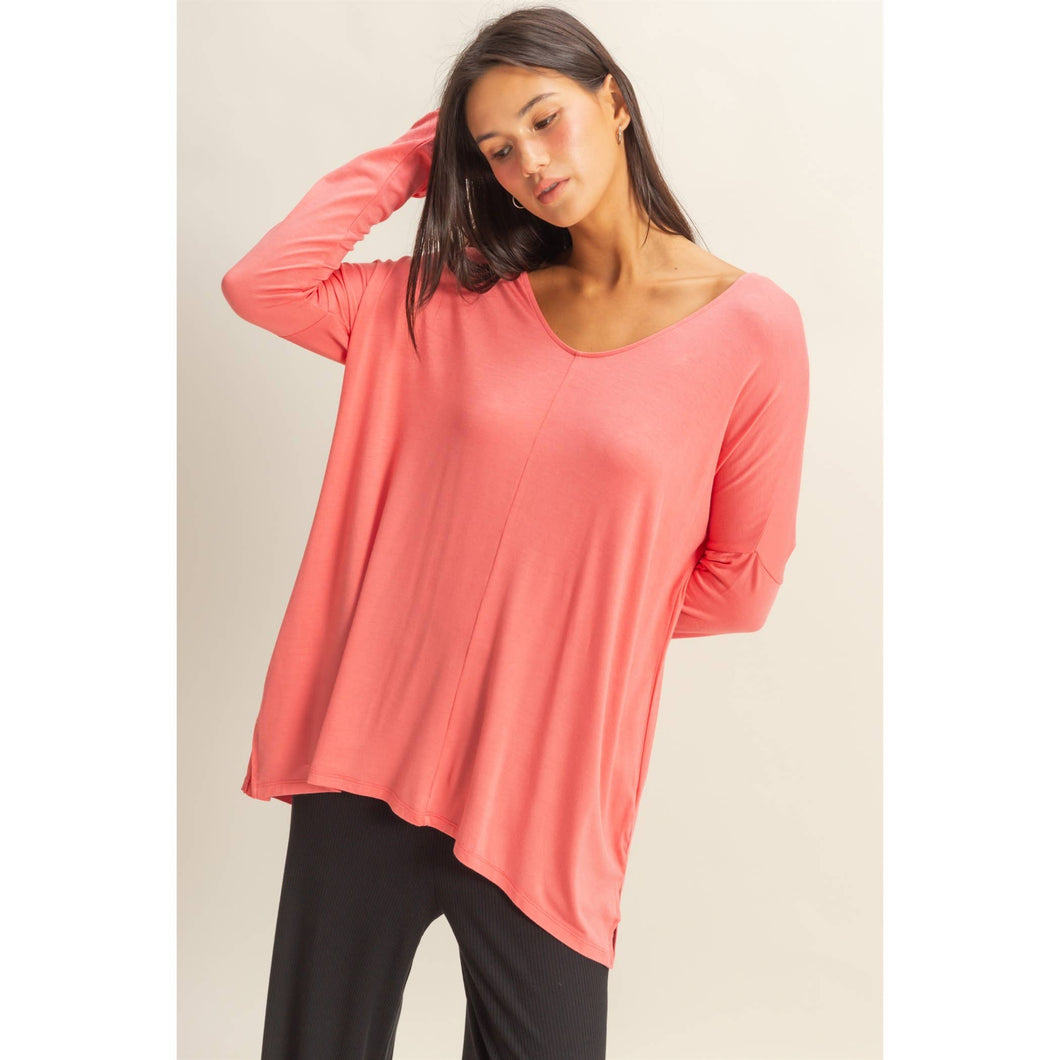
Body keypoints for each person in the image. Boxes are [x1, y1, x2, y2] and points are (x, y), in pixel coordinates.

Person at [220, 5, 810, 1058]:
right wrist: (414, 158)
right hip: (368, 753)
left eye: (544, 120)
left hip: (546, 790)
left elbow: (740, 583)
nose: (528, 162)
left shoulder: (751, 328)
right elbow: (263, 284)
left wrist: (570, 618)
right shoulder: (452, 300)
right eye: (495, 149)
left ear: (614, 102)